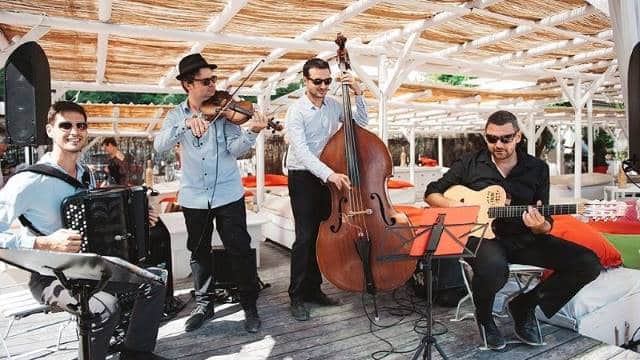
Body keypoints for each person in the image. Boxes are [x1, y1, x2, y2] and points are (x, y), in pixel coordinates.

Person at [0, 101, 166, 360]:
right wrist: (45, 243)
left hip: (89, 269)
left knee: (155, 280)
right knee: (106, 307)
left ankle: (136, 354)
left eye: (81, 125)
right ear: (50, 129)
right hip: (50, 276)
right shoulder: (27, 181)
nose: (74, 131)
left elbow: (99, 224)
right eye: (65, 125)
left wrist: (139, 222)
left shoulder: (85, 174)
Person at [424, 110, 601, 350]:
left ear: (518, 137)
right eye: (491, 138)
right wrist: (458, 207)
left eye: (506, 138)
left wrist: (540, 226)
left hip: (524, 238)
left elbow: (545, 218)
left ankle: (525, 305)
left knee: (588, 263)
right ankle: (485, 317)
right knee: (495, 269)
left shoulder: (537, 168)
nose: (498, 144)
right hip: (482, 236)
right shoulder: (469, 163)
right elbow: (432, 192)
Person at [154, 53, 268, 333]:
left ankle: (249, 305)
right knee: (199, 251)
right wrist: (185, 124)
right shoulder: (176, 115)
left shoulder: (225, 114)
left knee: (239, 249)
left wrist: (252, 132)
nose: (213, 87)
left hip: (228, 192)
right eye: (205, 82)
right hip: (194, 196)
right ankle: (204, 305)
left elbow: (234, 149)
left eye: (214, 80)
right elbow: (159, 145)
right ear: (187, 85)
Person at [285, 58, 368, 321]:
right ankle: (296, 295)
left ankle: (314, 290)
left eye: (327, 81)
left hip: (327, 177)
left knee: (321, 235)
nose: (323, 86)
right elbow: (302, 151)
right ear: (305, 81)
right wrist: (329, 174)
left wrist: (358, 92)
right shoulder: (296, 111)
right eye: (317, 81)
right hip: (303, 176)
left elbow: (360, 124)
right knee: (304, 237)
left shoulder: (333, 105)